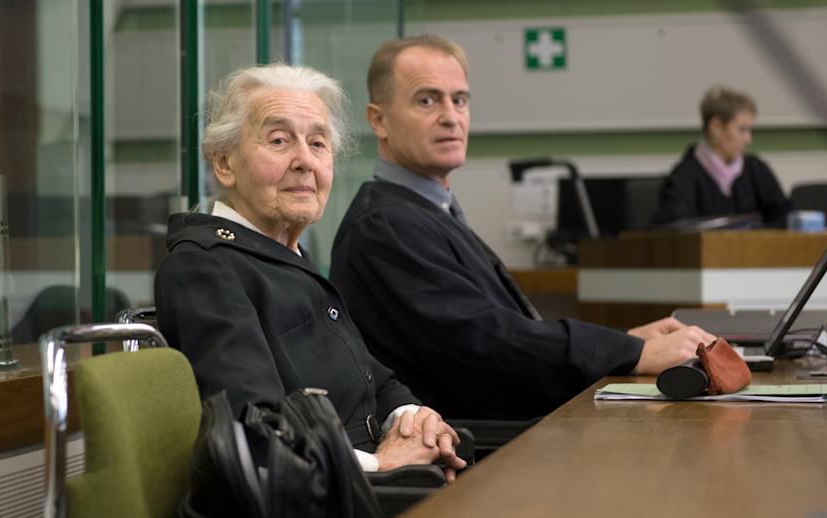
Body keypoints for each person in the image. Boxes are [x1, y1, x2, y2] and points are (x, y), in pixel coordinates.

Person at [330, 36, 716, 421]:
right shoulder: (385, 225)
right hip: (473, 457)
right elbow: (484, 340)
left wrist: (626, 342)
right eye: (427, 100)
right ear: (378, 120)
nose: (450, 116)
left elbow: (505, 331)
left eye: (460, 100)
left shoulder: (424, 210)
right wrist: (632, 352)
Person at [155, 63, 466, 481]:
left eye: (318, 143)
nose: (305, 160)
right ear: (225, 164)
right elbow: (257, 435)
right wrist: (384, 465)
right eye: (279, 140)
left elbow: (372, 379)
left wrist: (415, 419)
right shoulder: (206, 267)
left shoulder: (287, 256)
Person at [655, 86, 790, 225]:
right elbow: (673, 229)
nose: (748, 139)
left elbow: (785, 217)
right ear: (716, 127)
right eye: (742, 129)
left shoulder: (756, 170)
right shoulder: (684, 177)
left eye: (750, 130)